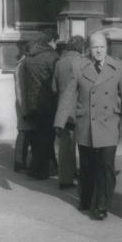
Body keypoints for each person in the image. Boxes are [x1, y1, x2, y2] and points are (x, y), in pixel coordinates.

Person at [54, 31, 122, 219]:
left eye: (102, 47)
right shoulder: (78, 66)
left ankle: (102, 205)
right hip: (86, 124)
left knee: (106, 166)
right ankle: (86, 198)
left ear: (107, 48)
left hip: (109, 123)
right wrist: (60, 121)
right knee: (88, 165)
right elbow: (68, 95)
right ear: (89, 48)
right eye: (95, 47)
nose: (99, 51)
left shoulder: (118, 66)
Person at [19, 32, 59, 179]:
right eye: (56, 42)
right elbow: (56, 82)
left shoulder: (29, 58)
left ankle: (40, 167)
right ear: (51, 41)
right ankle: (40, 170)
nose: (56, 45)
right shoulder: (52, 57)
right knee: (47, 137)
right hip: (48, 103)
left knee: (37, 138)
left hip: (32, 103)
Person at [53, 35, 85, 189]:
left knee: (65, 145)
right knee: (84, 145)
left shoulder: (59, 62)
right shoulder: (82, 62)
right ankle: (82, 176)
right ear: (81, 47)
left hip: (62, 109)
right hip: (78, 108)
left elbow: (53, 87)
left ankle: (65, 178)